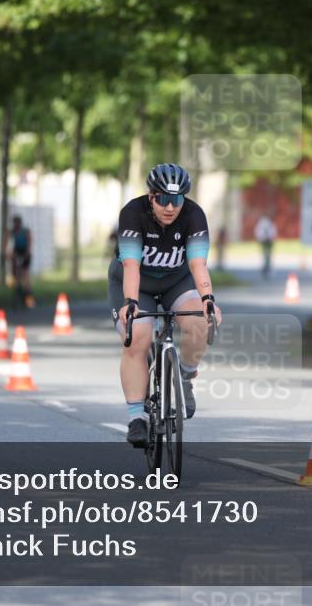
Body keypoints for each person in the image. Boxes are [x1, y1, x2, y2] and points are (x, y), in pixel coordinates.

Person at [109, 163, 222, 447]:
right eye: (163, 200)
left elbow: (198, 264)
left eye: (177, 200)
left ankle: (184, 375)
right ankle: (137, 418)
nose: (170, 207)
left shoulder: (194, 215)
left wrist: (208, 299)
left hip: (176, 282)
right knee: (138, 338)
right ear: (151, 197)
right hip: (136, 283)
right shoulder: (132, 214)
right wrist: (131, 303)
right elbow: (132, 266)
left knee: (198, 321)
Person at [7, 215, 34, 308]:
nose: (16, 225)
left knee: (25, 274)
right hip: (16, 252)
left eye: (17, 223)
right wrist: (9, 254)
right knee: (15, 274)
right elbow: (7, 243)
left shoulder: (25, 231)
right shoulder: (12, 232)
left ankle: (28, 295)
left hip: (25, 253)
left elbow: (29, 241)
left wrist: (27, 252)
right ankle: (17, 290)